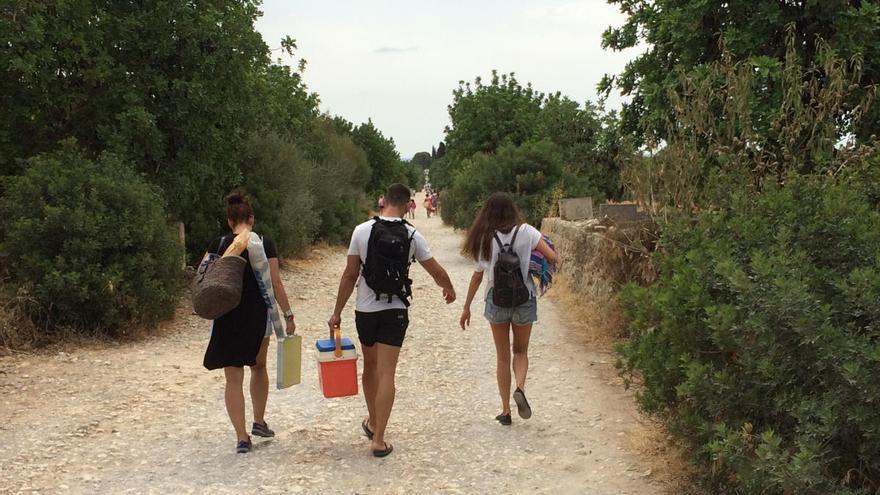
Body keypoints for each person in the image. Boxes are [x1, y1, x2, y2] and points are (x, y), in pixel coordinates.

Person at [328, 183, 456, 457]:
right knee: (387, 372)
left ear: (383, 199)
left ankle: (373, 422)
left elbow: (350, 275)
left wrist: (337, 311)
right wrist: (449, 288)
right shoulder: (411, 234)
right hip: (395, 310)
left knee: (370, 368)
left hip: (365, 310)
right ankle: (379, 439)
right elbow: (435, 270)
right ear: (409, 203)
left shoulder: (362, 231)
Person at [202, 191, 296, 453]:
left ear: (230, 221)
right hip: (258, 315)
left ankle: (242, 437)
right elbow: (275, 283)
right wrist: (288, 315)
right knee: (258, 367)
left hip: (226, 315)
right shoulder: (265, 242)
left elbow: (204, 277)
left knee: (232, 378)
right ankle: (259, 421)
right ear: (252, 219)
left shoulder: (219, 243)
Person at [458, 192, 558, 426]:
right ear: (512, 209)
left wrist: (466, 307)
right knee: (520, 351)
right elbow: (553, 257)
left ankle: (505, 411)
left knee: (502, 357)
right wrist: (534, 259)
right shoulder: (527, 232)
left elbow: (477, 276)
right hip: (524, 297)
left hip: (496, 299)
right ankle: (520, 388)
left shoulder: (485, 237)